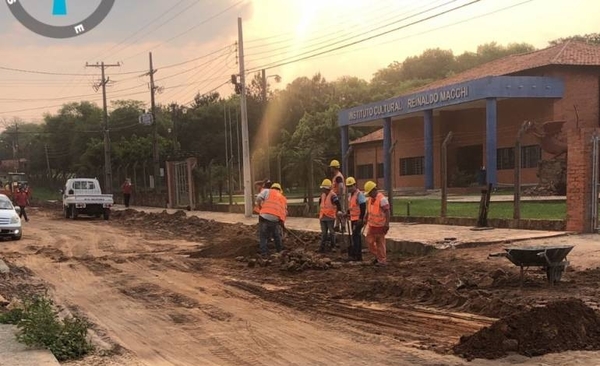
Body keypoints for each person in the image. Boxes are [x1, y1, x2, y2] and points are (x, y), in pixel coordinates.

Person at [255, 182, 287, 256]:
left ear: (272, 188)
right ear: (280, 190)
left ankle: (264, 253)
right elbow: (284, 212)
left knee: (263, 235)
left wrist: (260, 206)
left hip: (264, 216)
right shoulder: (283, 198)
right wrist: (281, 223)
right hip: (275, 219)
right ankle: (279, 251)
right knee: (276, 235)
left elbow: (258, 198)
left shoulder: (267, 191)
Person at [363, 181, 390, 266]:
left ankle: (382, 260)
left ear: (373, 190)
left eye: (369, 193)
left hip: (380, 226)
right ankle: (378, 256)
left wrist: (386, 224)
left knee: (380, 244)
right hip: (372, 225)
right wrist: (366, 217)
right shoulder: (370, 199)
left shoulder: (382, 200)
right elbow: (369, 210)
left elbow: (387, 212)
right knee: (369, 242)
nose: (369, 195)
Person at [318, 178, 343, 253]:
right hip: (323, 216)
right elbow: (320, 203)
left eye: (324, 188)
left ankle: (333, 245)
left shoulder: (333, 195)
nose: (323, 190)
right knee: (324, 233)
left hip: (330, 217)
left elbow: (338, 204)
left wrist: (339, 211)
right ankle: (322, 247)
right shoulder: (322, 195)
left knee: (331, 232)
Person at [346, 177, 366, 261]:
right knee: (355, 236)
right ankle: (357, 255)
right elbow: (351, 207)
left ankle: (357, 255)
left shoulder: (359, 194)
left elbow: (363, 207)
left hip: (358, 219)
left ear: (354, 185)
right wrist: (347, 213)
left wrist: (361, 218)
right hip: (353, 218)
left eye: (351, 186)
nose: (349, 188)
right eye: (348, 186)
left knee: (355, 236)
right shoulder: (351, 195)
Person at [329, 159, 346, 232]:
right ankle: (337, 226)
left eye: (331, 167)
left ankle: (343, 226)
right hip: (338, 196)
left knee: (341, 211)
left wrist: (339, 195)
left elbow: (341, 186)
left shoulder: (338, 177)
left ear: (333, 167)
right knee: (337, 211)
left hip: (339, 196)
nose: (330, 169)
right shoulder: (336, 176)